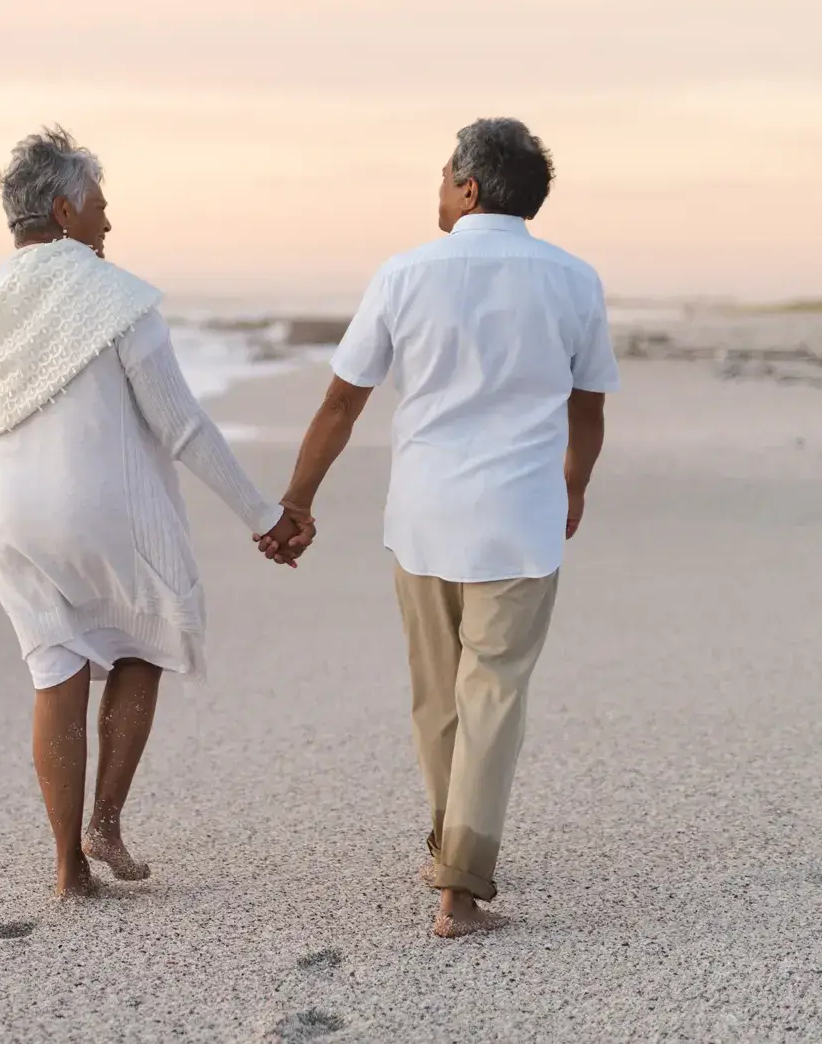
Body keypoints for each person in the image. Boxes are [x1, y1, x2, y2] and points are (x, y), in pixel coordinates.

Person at [0, 127, 312, 898]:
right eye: (101, 208)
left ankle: (69, 868)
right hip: (96, 508)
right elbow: (181, 425)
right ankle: (105, 819)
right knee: (148, 633)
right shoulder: (113, 295)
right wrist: (262, 513)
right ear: (66, 210)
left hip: (10, 515)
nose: (109, 224)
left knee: (56, 668)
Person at [264, 118, 619, 937]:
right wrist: (575, 487)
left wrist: (297, 501)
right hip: (521, 519)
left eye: (441, 176)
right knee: (491, 693)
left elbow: (342, 401)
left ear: (468, 187)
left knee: (438, 697)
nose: (436, 189)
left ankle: (449, 846)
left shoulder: (404, 274)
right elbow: (588, 409)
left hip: (424, 517)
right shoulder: (573, 279)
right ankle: (459, 880)